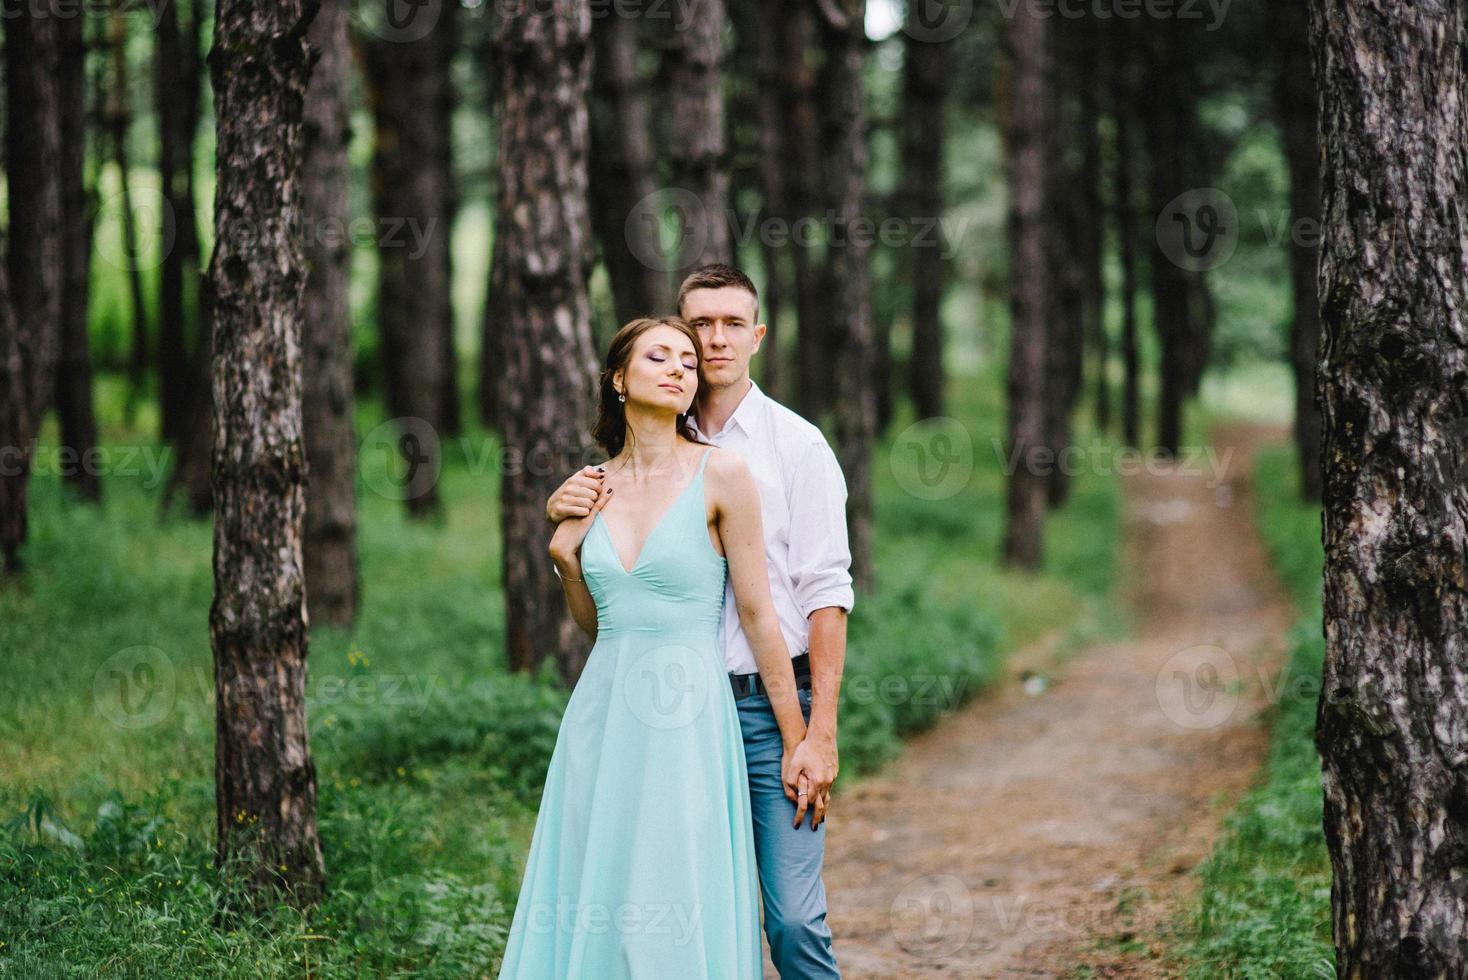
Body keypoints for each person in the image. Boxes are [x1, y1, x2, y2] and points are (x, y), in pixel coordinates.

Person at [547, 265, 852, 978]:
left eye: (730, 324)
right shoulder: (625, 468)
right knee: (663, 915)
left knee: (793, 921)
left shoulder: (794, 447)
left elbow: (824, 597)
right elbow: (618, 614)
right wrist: (562, 544)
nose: (711, 342)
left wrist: (816, 735)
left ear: (757, 336)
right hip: (665, 720)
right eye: (697, 328)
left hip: (771, 707)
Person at [498, 315, 810, 979]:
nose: (678, 369)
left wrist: (798, 739)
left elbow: (757, 614)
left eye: (688, 363)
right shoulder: (590, 487)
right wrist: (564, 561)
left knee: (672, 889)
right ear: (618, 379)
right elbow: (601, 624)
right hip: (603, 717)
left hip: (689, 719)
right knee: (602, 891)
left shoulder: (723, 475)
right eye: (658, 357)